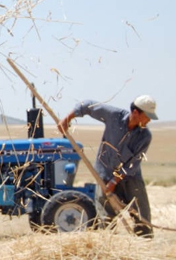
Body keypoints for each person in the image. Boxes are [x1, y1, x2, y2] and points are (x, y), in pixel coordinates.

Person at [58, 95, 158, 238]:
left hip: (130, 178)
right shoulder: (114, 116)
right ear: (136, 113)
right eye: (147, 116)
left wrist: (114, 181)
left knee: (142, 216)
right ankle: (108, 246)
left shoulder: (145, 136)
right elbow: (87, 104)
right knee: (106, 218)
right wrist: (67, 119)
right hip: (104, 175)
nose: (149, 120)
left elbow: (132, 164)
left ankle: (145, 245)